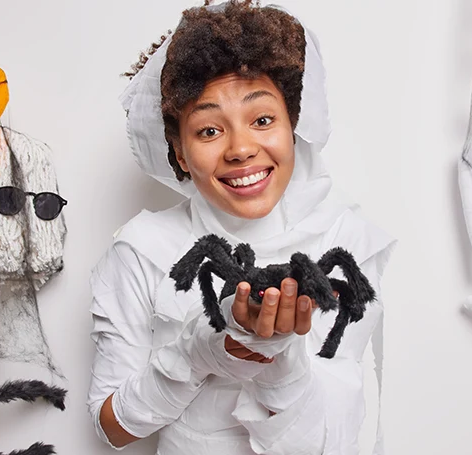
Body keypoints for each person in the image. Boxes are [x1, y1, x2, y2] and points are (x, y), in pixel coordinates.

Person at [87, 1, 395, 453]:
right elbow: (111, 427)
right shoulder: (142, 248)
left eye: (263, 120)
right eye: (209, 131)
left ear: (294, 123)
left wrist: (279, 359)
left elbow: (337, 433)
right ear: (178, 150)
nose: (241, 148)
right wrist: (199, 351)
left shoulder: (346, 238)